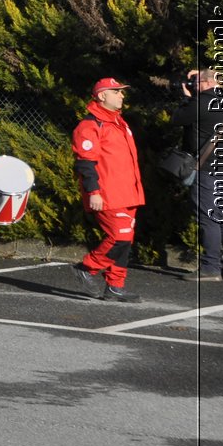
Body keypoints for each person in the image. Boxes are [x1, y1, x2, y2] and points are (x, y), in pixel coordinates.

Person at [69, 78, 145, 302]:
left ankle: (114, 286)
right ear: (102, 96)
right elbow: (85, 162)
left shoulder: (120, 123)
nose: (122, 96)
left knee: (126, 239)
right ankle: (86, 268)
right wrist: (93, 192)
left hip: (128, 193)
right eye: (116, 92)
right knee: (119, 237)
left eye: (122, 92)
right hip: (108, 194)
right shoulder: (90, 126)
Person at [174, 69, 223, 282]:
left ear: (206, 83)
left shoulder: (201, 102)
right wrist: (203, 73)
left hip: (207, 169)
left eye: (197, 82)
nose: (193, 85)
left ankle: (210, 267)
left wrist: (186, 99)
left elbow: (178, 118)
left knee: (209, 217)